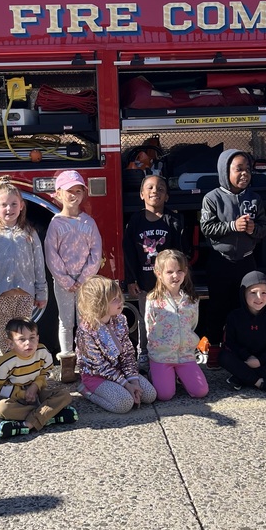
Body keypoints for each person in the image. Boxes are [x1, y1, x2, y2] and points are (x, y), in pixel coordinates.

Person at [199, 149, 266, 366]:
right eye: (239, 169)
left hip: (247, 262)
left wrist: (252, 229)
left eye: (248, 169)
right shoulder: (212, 198)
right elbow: (206, 227)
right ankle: (215, 349)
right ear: (224, 171)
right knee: (218, 307)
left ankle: (242, 348)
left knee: (245, 307)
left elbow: (265, 229)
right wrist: (232, 226)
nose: (244, 174)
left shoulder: (254, 199)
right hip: (220, 261)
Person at [0, 177, 48, 355]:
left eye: (14, 204)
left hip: (25, 295)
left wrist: (42, 292)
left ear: (22, 205)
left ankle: (24, 371)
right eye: (4, 204)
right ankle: (6, 374)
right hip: (2, 295)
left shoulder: (29, 233)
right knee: (6, 335)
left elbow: (39, 264)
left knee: (24, 335)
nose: (9, 209)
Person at [44, 170, 103, 383]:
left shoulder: (88, 223)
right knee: (66, 321)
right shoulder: (56, 224)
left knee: (86, 321)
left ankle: (87, 361)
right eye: (69, 191)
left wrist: (85, 278)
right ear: (59, 194)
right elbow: (52, 254)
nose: (74, 195)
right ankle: (67, 363)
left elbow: (96, 252)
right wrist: (67, 280)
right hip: (64, 284)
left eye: (78, 191)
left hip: (85, 284)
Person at [123, 173, 184, 370]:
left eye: (160, 188)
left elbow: (181, 252)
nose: (154, 191)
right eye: (149, 188)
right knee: (145, 319)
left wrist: (178, 278)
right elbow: (129, 252)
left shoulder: (173, 220)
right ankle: (144, 353)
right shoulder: (135, 221)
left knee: (170, 317)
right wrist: (131, 279)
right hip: (144, 281)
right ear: (141, 194)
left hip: (168, 283)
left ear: (167, 196)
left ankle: (169, 352)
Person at [75, 275, 158, 413]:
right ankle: (88, 392)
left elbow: (127, 353)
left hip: (120, 370)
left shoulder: (120, 320)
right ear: (99, 303)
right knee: (125, 404)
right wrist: (126, 385)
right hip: (97, 376)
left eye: (119, 296)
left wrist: (134, 381)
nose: (120, 301)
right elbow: (99, 366)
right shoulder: (86, 331)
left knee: (150, 395)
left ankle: (127, 387)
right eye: (114, 299)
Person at [0, 318, 78, 439]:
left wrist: (35, 386)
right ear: (10, 343)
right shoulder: (5, 362)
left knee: (65, 395)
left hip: (36, 390)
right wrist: (21, 394)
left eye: (32, 338)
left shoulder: (42, 352)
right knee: (3, 409)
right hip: (12, 396)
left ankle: (28, 423)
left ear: (38, 338)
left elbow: (47, 371)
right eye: (22, 339)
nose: (28, 343)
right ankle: (48, 414)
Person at [145, 249, 209, 401]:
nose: (175, 276)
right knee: (164, 395)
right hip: (162, 356)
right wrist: (158, 348)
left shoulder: (191, 300)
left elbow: (192, 325)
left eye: (180, 271)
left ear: (185, 272)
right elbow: (149, 326)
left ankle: (180, 375)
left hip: (185, 356)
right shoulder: (153, 300)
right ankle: (155, 372)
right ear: (159, 273)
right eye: (170, 272)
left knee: (201, 392)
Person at [218, 270, 266, 393]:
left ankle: (241, 377)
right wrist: (248, 357)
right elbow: (230, 344)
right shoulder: (234, 317)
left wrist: (259, 361)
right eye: (253, 293)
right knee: (223, 357)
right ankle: (261, 383)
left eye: (264, 293)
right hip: (244, 360)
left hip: (264, 363)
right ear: (243, 294)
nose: (259, 298)